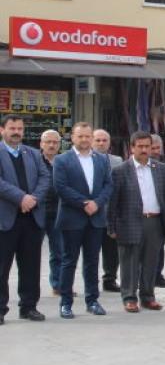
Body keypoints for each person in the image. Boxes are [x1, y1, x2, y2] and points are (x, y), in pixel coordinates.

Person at [107, 131, 165, 313]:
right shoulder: (121, 171)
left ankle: (148, 296)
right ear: (132, 148)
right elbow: (113, 202)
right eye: (141, 146)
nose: (145, 150)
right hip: (130, 221)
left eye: (148, 146)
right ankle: (129, 297)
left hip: (154, 221)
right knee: (129, 261)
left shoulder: (160, 168)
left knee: (151, 261)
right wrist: (111, 226)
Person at [53, 122, 113, 319]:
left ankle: (92, 301)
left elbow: (108, 185)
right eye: (81, 136)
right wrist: (84, 203)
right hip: (72, 218)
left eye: (88, 136)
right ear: (73, 138)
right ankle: (66, 303)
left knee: (92, 262)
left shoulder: (102, 160)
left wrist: (97, 203)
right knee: (68, 261)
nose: (85, 140)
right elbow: (61, 187)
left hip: (95, 218)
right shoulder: (62, 160)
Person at [0, 115, 51, 325]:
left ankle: (29, 307)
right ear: (2, 130)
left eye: (20, 128)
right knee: (2, 267)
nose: (16, 132)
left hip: (31, 219)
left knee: (31, 266)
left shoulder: (32, 153)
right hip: (6, 220)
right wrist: (21, 197)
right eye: (12, 128)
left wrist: (33, 198)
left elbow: (45, 177)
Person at [93, 128, 124, 293]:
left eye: (104, 140)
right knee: (91, 250)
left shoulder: (117, 161)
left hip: (111, 213)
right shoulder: (84, 160)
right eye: (97, 140)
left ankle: (110, 279)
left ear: (109, 143)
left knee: (112, 250)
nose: (101, 143)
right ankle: (90, 281)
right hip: (91, 212)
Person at [39, 129, 63, 295]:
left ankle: (58, 284)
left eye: (55, 142)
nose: (52, 145)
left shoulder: (63, 162)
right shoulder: (34, 161)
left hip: (58, 212)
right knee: (31, 252)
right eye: (48, 142)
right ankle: (30, 287)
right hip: (37, 212)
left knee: (58, 251)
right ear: (41, 144)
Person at [149, 133, 165, 288]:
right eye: (153, 148)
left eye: (158, 147)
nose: (156, 151)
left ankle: (157, 274)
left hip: (161, 212)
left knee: (160, 246)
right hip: (144, 212)